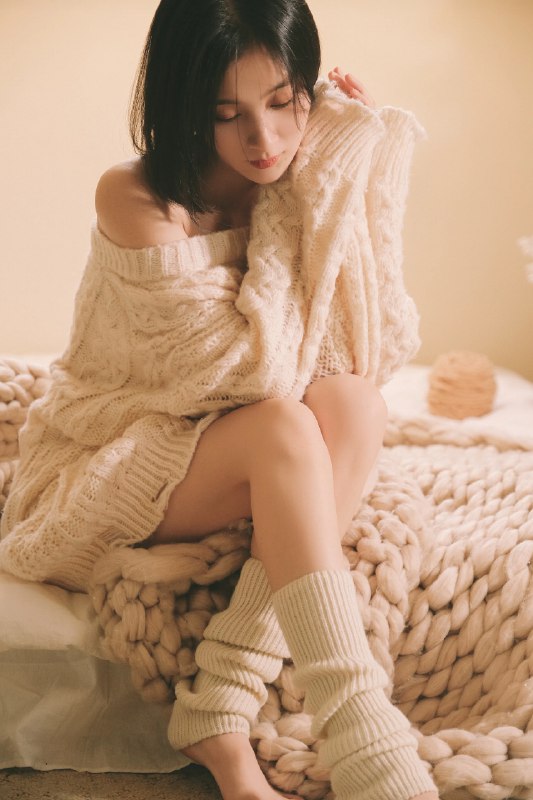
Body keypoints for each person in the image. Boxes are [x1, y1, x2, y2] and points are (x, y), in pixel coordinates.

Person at [0, 1, 438, 799]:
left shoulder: (297, 170)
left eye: (284, 101)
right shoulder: (135, 197)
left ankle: (221, 696)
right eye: (226, 114)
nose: (264, 141)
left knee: (356, 403)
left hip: (228, 450)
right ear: (180, 104)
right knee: (282, 425)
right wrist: (311, 189)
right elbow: (250, 375)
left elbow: (366, 342)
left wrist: (354, 170)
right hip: (108, 460)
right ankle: (363, 734)